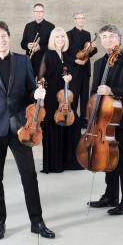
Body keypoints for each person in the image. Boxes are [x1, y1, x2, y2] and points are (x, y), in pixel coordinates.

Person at [0, 21, 56, 240]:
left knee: (29, 176)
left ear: (9, 37)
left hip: (21, 127)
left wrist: (36, 95)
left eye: (4, 36)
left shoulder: (23, 60)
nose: (1, 40)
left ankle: (37, 222)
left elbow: (30, 89)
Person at [86, 25, 123, 215]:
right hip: (103, 120)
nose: (107, 40)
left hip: (122, 118)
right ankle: (111, 196)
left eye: (111, 36)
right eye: (104, 37)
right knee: (108, 158)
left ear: (118, 38)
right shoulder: (99, 63)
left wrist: (112, 91)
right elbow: (94, 91)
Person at [39, 27, 84, 174]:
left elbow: (74, 71)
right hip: (52, 96)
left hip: (64, 98)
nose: (60, 39)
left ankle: (69, 161)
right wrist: (41, 92)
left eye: (62, 37)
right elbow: (40, 76)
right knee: (53, 127)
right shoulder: (48, 54)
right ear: (53, 39)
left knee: (73, 124)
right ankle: (53, 164)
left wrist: (70, 77)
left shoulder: (67, 55)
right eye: (57, 37)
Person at [66, 12, 93, 123]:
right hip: (74, 70)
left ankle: (84, 120)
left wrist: (92, 49)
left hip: (85, 69)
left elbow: (87, 53)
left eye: (83, 18)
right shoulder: (68, 34)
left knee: (85, 96)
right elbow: (65, 54)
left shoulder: (87, 34)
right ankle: (73, 119)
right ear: (75, 20)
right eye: (79, 18)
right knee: (74, 96)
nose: (81, 20)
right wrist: (75, 60)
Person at [19, 3, 55, 72]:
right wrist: (27, 45)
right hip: (30, 61)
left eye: (41, 11)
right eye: (36, 12)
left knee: (42, 82)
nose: (38, 14)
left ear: (43, 13)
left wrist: (40, 48)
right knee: (30, 82)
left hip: (44, 61)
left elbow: (53, 45)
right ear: (34, 13)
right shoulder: (28, 26)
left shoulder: (51, 26)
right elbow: (22, 44)